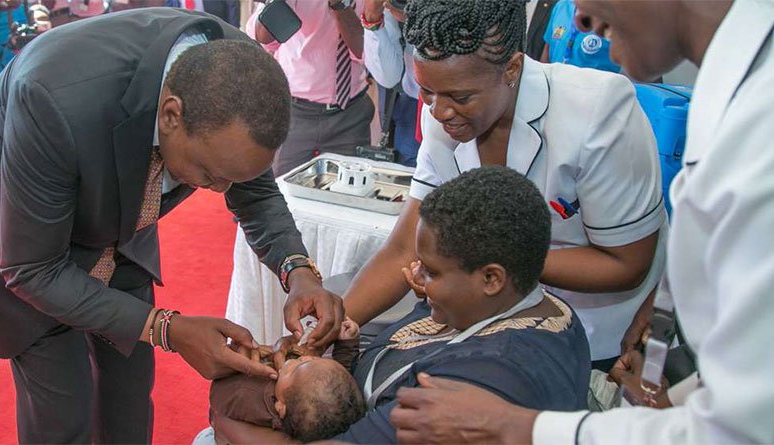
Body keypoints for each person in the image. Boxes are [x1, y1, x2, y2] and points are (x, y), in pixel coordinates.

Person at [0, 8, 344, 443]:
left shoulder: (240, 80)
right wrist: (167, 328)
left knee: (130, 393)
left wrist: (299, 272)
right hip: (8, 215)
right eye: (210, 174)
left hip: (117, 215)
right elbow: (35, 270)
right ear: (171, 116)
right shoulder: (53, 97)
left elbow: (254, 192)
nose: (220, 191)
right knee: (64, 408)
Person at [389, 0, 774, 444]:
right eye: (430, 95)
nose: (579, 17)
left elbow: (750, 425)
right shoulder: (746, 86)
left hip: (591, 337)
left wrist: (517, 428)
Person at [344, 0, 666, 372]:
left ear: (512, 68)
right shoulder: (446, 110)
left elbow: (627, 263)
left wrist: (483, 262)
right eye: (427, 92)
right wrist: (339, 320)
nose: (438, 111)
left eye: (460, 97)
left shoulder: (598, 112)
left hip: (593, 331)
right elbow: (404, 247)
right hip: (492, 319)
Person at [212, 166, 591, 443]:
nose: (413, 275)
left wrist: (226, 426)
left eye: (432, 271)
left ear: (491, 278)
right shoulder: (510, 304)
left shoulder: (487, 378)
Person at [246, 0, 375, 176]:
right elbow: (263, 37)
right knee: (282, 191)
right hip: (294, 112)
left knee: (349, 193)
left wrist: (339, 5)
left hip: (349, 114)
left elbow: (366, 52)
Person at [209, 318, 365, 443]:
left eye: (297, 366)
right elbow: (337, 382)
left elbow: (218, 396)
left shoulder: (252, 397)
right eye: (314, 359)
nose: (303, 357)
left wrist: (240, 362)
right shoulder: (313, 409)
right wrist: (347, 344)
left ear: (280, 407)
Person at [362, 0, 421, 166]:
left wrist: (420, 18)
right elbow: (388, 77)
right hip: (414, 106)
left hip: (466, 102)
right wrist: (373, 18)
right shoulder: (392, 7)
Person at [540, 0, 619, 73]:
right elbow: (548, 50)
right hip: (554, 85)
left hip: (595, 86)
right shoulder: (562, 5)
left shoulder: (616, 14)